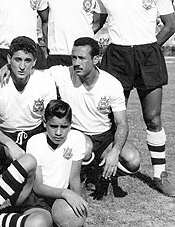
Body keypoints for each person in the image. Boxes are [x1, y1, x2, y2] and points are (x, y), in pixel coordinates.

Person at [93, 0, 175, 196]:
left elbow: (170, 24)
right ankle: (100, 172)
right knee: (109, 117)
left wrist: (151, 46)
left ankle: (160, 174)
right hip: (116, 56)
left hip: (148, 53)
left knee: (153, 117)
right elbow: (95, 23)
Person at [0, 100, 87, 227]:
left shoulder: (77, 138)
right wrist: (65, 192)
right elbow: (38, 187)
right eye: (53, 126)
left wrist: (80, 203)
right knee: (28, 160)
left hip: (55, 199)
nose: (58, 132)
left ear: (70, 125)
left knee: (39, 225)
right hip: (32, 194)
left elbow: (74, 177)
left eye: (64, 127)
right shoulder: (36, 141)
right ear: (45, 123)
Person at [47, 37, 141, 197]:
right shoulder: (63, 74)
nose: (76, 63)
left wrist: (115, 151)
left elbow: (122, 123)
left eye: (82, 58)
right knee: (86, 149)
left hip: (105, 136)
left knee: (133, 161)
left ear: (96, 59)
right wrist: (6, 68)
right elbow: (34, 73)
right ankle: (79, 178)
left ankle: (98, 174)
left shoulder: (111, 84)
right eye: (74, 57)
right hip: (78, 135)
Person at [0, 36, 56, 197]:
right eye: (17, 60)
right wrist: (10, 144)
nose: (22, 66)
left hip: (35, 133)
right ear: (9, 59)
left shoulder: (44, 80)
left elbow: (50, 120)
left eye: (27, 61)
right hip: (6, 134)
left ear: (34, 62)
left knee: (39, 185)